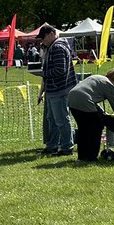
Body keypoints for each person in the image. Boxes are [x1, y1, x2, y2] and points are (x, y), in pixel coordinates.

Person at [66, 69, 114, 162]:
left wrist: (102, 113)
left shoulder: (96, 77)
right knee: (97, 127)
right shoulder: (109, 85)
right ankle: (91, 156)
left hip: (72, 99)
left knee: (83, 129)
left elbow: (91, 95)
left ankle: (81, 157)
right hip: (85, 101)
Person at [35, 24, 76, 157]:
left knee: (61, 120)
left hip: (60, 89)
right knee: (51, 119)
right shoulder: (55, 46)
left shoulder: (57, 47)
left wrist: (43, 73)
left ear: (52, 34)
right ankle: (52, 146)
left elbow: (60, 70)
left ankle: (66, 147)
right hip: (54, 89)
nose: (42, 40)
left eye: (44, 37)